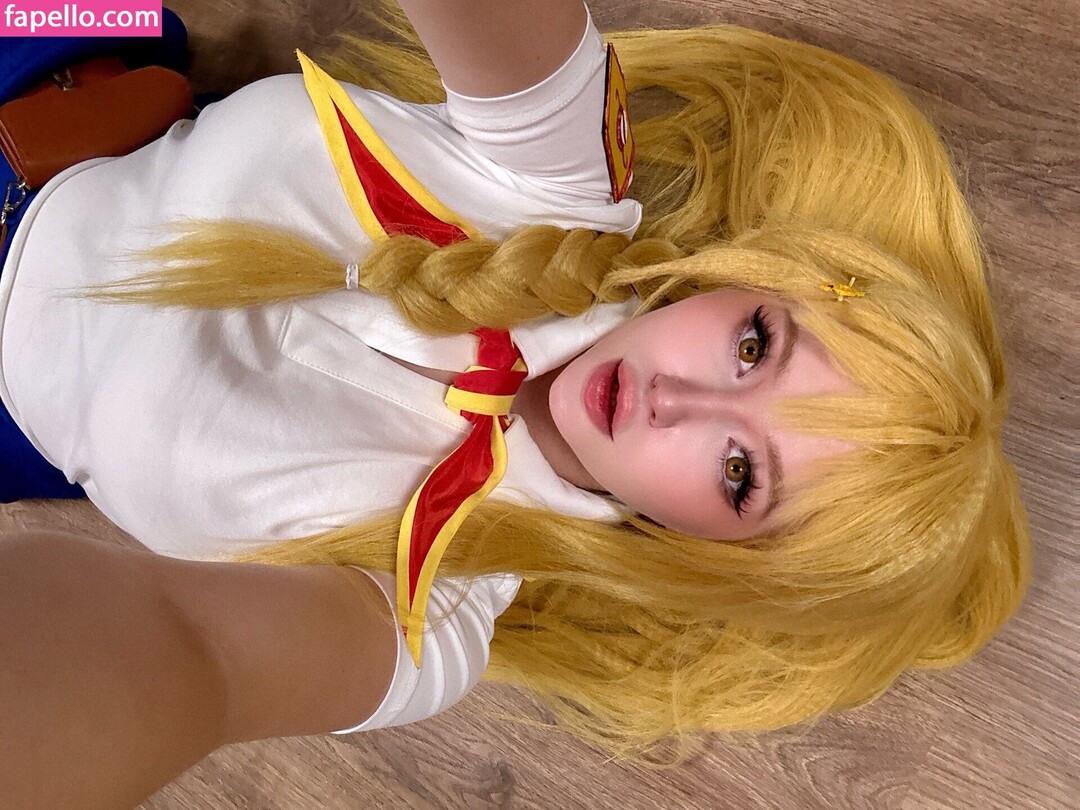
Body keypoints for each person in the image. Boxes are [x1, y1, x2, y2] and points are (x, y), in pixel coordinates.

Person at [0, 0, 1029, 806]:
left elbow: (188, 657)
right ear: (753, 282)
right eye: (754, 346)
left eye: (739, 471)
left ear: (729, 555)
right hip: (58, 53)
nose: (675, 400)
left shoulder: (428, 622)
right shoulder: (567, 181)